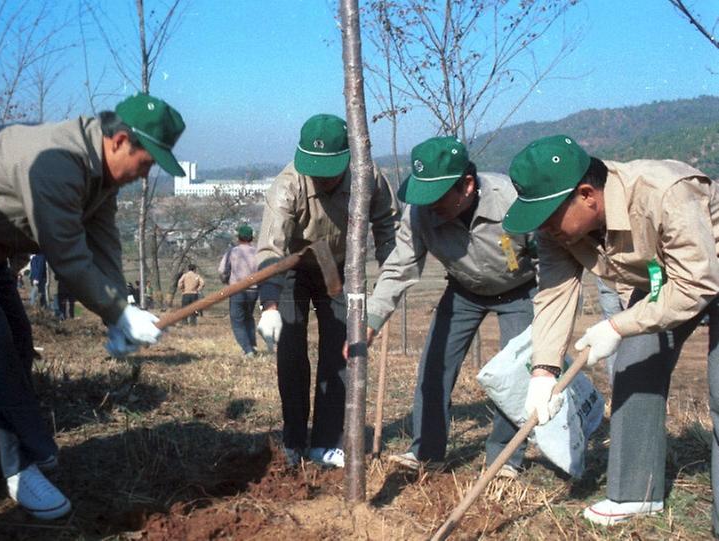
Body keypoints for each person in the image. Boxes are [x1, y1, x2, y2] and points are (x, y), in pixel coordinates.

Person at [0, 92, 185, 520]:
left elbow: (104, 242)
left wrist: (122, 309)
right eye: (146, 163)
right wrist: (116, 312)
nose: (145, 175)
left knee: (17, 340)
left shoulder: (102, 176)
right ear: (119, 141)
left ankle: (14, 442)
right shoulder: (60, 163)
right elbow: (68, 257)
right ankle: (15, 469)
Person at [502, 135, 719, 531]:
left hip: (706, 269)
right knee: (633, 369)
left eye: (550, 216)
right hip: (659, 280)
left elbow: (697, 283)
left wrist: (618, 325)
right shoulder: (558, 232)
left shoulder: (665, 191)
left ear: (587, 195)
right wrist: (544, 370)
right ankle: (637, 492)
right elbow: (553, 296)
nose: (545, 229)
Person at [354, 136, 536, 476]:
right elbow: (399, 267)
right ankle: (427, 453)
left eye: (437, 196)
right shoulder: (420, 211)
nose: (430, 206)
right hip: (464, 290)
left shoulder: (510, 200)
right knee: (434, 366)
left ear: (466, 185)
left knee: (516, 374)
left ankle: (504, 458)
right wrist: (372, 319)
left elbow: (547, 259)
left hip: (520, 290)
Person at [255, 113, 399, 468]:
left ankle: (327, 441)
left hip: (339, 268)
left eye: (329, 168)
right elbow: (271, 248)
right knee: (290, 351)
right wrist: (270, 305)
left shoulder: (369, 178)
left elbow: (387, 225)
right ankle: (293, 438)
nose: (321, 176)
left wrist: (391, 274)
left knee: (340, 352)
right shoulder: (288, 185)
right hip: (293, 268)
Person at [218, 224, 261, 356]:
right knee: (249, 317)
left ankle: (247, 350)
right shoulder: (258, 252)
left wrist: (226, 280)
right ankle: (252, 345)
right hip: (254, 291)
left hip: (237, 289)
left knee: (237, 320)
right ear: (251, 238)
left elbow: (222, 270)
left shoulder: (233, 252)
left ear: (239, 237)